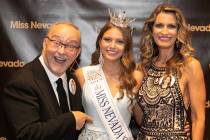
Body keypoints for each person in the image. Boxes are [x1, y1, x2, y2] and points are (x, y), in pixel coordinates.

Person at [0, 22, 92, 140]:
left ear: (77, 53)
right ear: (45, 44)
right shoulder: (21, 82)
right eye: (56, 42)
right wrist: (71, 120)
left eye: (71, 46)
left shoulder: (72, 79)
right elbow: (26, 134)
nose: (62, 51)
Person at [133, 3, 206, 140]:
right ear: (151, 30)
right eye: (159, 25)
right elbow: (141, 119)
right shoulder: (143, 67)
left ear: (178, 31)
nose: (164, 32)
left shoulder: (190, 65)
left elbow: (198, 118)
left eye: (171, 26)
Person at [75, 9, 140, 140]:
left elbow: (144, 117)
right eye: (107, 39)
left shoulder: (137, 77)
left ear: (126, 47)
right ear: (100, 42)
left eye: (120, 42)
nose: (112, 46)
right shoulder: (82, 74)